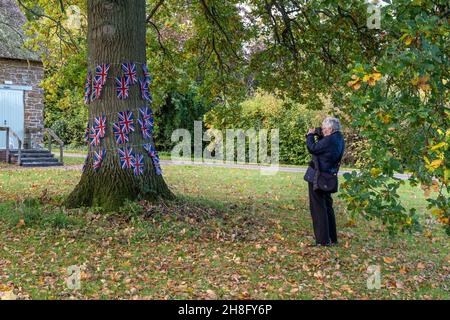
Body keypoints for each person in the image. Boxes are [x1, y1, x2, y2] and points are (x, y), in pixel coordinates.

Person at [304, 117, 345, 247]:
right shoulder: (338, 138)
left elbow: (313, 148)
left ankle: (322, 240)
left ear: (330, 129)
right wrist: (317, 131)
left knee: (318, 208)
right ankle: (332, 238)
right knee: (327, 207)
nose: (321, 130)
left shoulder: (329, 141)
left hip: (319, 177)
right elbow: (323, 139)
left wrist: (310, 135)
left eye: (323, 128)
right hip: (328, 177)